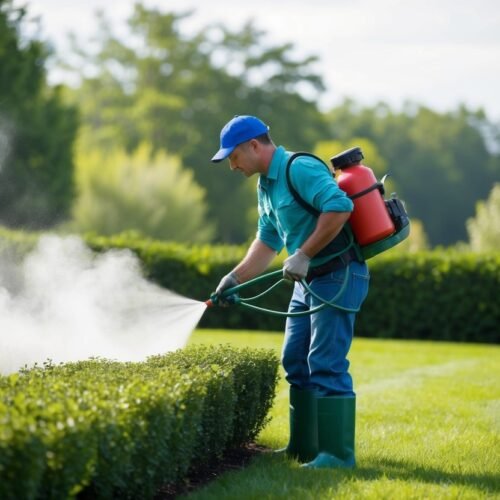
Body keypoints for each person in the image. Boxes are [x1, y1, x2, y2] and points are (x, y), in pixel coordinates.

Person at [211, 115, 370, 469]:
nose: (232, 165)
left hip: (338, 274)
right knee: (295, 360)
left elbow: (340, 207)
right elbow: (267, 241)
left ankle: (338, 455)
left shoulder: (299, 168)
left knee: (325, 363)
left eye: (233, 156)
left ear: (254, 145)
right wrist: (234, 277)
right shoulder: (265, 186)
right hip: (308, 280)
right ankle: (304, 447)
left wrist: (304, 254)